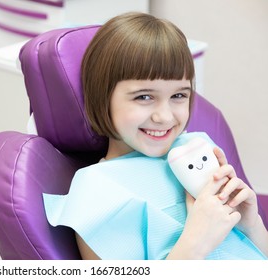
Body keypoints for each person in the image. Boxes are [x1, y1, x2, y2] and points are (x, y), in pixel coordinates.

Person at [43, 12, 268, 260]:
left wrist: (252, 225)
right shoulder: (94, 193)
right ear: (102, 97)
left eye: (179, 95)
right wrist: (195, 242)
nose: (165, 117)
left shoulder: (197, 146)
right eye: (144, 97)